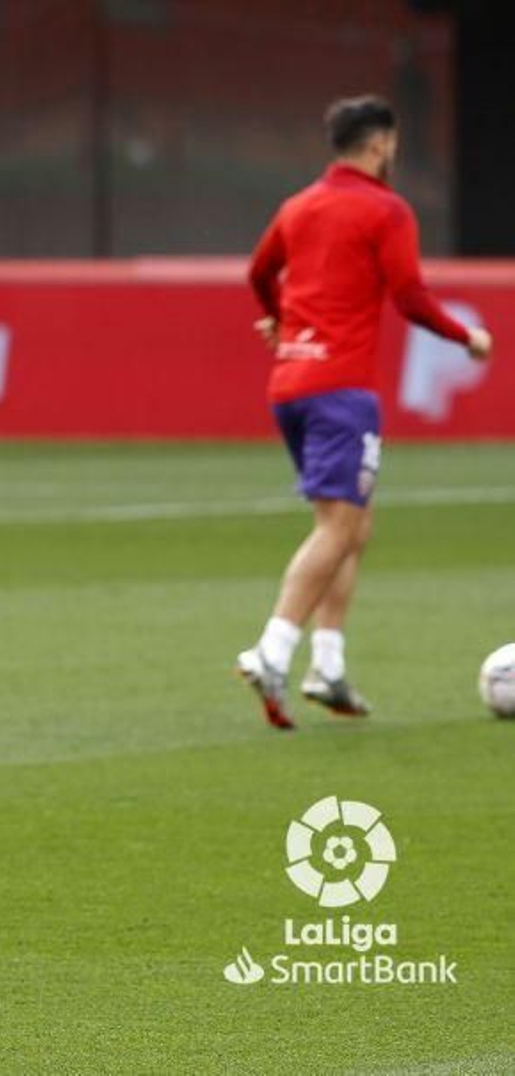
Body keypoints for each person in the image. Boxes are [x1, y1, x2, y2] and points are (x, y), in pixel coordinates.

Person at [236, 95, 493, 729]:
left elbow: (259, 271)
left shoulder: (299, 206)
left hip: (290, 385)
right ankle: (274, 648)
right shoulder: (385, 210)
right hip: (342, 391)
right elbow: (408, 295)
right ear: (380, 145)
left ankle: (328, 664)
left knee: (353, 522)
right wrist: (468, 338)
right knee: (337, 528)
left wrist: (281, 320)